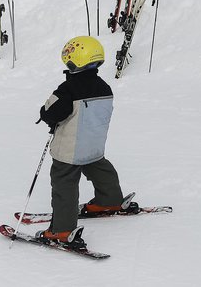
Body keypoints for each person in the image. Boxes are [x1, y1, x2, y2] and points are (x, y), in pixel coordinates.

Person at [36, 36, 132, 249]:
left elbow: (51, 113)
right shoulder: (105, 87)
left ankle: (61, 229)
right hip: (94, 144)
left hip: (70, 148)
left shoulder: (68, 89)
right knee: (100, 168)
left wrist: (45, 114)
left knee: (64, 183)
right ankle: (110, 200)